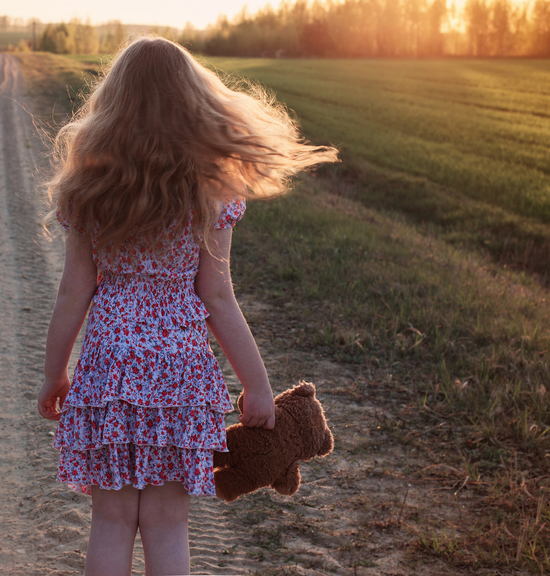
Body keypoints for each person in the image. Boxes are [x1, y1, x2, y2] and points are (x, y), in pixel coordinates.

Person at [37, 35, 337, 575]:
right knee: (168, 524)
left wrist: (54, 373)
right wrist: (257, 385)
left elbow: (73, 290)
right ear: (193, 106)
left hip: (110, 377)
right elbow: (218, 297)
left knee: (110, 519)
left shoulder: (88, 189)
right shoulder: (212, 192)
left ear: (111, 108)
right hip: (179, 380)